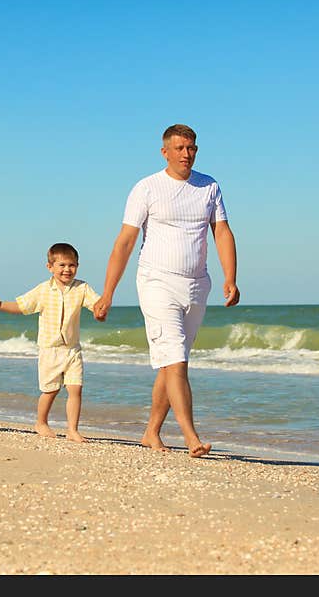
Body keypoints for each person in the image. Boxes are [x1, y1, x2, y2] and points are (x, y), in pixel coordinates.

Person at [93, 124, 240, 457]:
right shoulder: (147, 188)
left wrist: (230, 277)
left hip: (197, 284)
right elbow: (125, 242)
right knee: (176, 361)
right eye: (179, 148)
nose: (186, 154)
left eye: (191, 148)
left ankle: (151, 432)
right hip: (156, 280)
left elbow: (222, 232)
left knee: (172, 361)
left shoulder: (209, 186)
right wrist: (108, 293)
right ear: (165, 152)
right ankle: (191, 437)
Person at [0, 243, 101, 443]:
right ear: (50, 267)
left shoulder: (82, 288)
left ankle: (72, 429)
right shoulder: (43, 290)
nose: (67, 270)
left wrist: (101, 310)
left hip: (72, 350)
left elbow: (96, 304)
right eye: (61, 265)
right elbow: (21, 306)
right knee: (50, 390)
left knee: (75, 388)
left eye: (72, 265)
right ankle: (41, 422)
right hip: (49, 350)